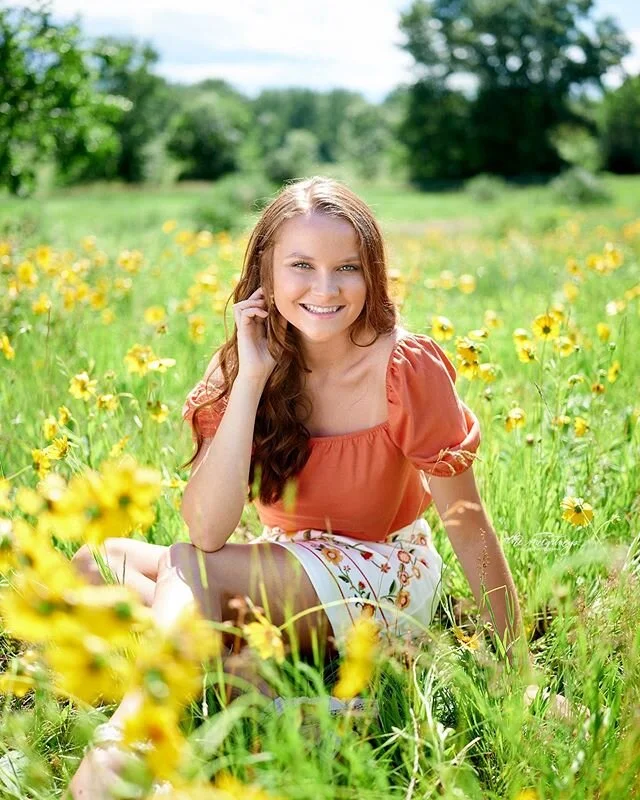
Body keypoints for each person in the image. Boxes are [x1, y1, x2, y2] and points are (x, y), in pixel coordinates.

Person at [69, 175, 537, 798]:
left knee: (189, 571)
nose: (325, 288)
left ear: (372, 274)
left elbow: (467, 522)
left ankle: (129, 744)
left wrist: (517, 669)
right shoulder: (244, 363)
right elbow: (209, 527)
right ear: (264, 271)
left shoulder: (405, 365)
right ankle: (273, 698)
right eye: (301, 265)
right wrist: (252, 378)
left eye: (347, 266)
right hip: (289, 572)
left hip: (384, 572)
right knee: (99, 565)